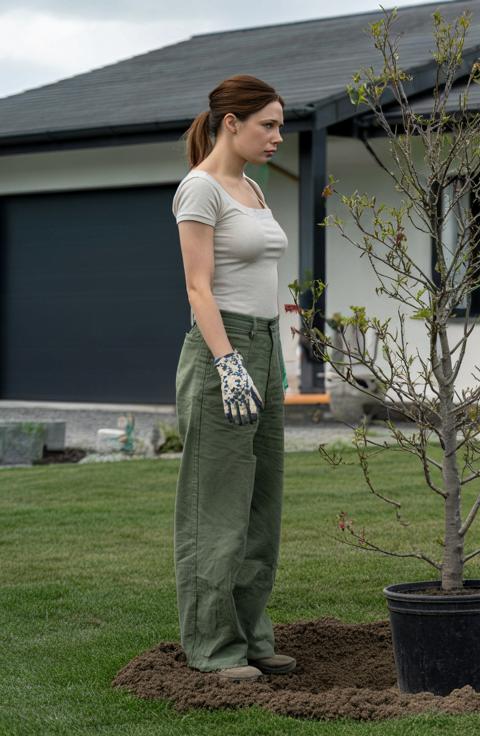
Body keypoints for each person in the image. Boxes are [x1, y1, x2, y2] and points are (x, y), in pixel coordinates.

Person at [172, 75, 294, 682]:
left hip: (267, 349)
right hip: (227, 351)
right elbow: (199, 287)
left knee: (261, 505)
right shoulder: (201, 190)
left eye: (279, 124)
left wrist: (272, 355)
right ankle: (213, 647)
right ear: (231, 123)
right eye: (267, 124)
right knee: (215, 506)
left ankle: (251, 636)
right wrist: (228, 364)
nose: (277, 135)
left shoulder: (252, 189)